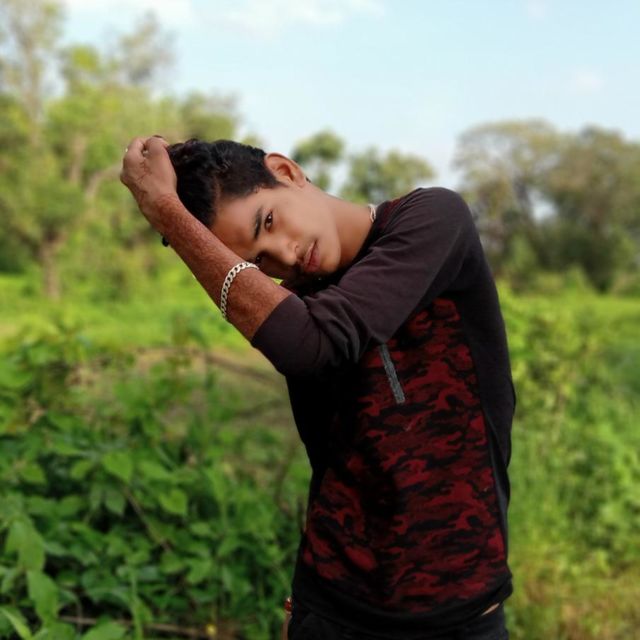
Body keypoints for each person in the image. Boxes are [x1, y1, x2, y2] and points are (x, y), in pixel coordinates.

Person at [120, 136, 516, 640]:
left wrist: (167, 212)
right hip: (331, 611)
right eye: (259, 263)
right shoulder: (291, 311)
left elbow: (317, 342)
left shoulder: (432, 220)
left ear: (286, 171)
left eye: (267, 222)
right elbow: (335, 462)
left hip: (461, 616)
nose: (283, 256)